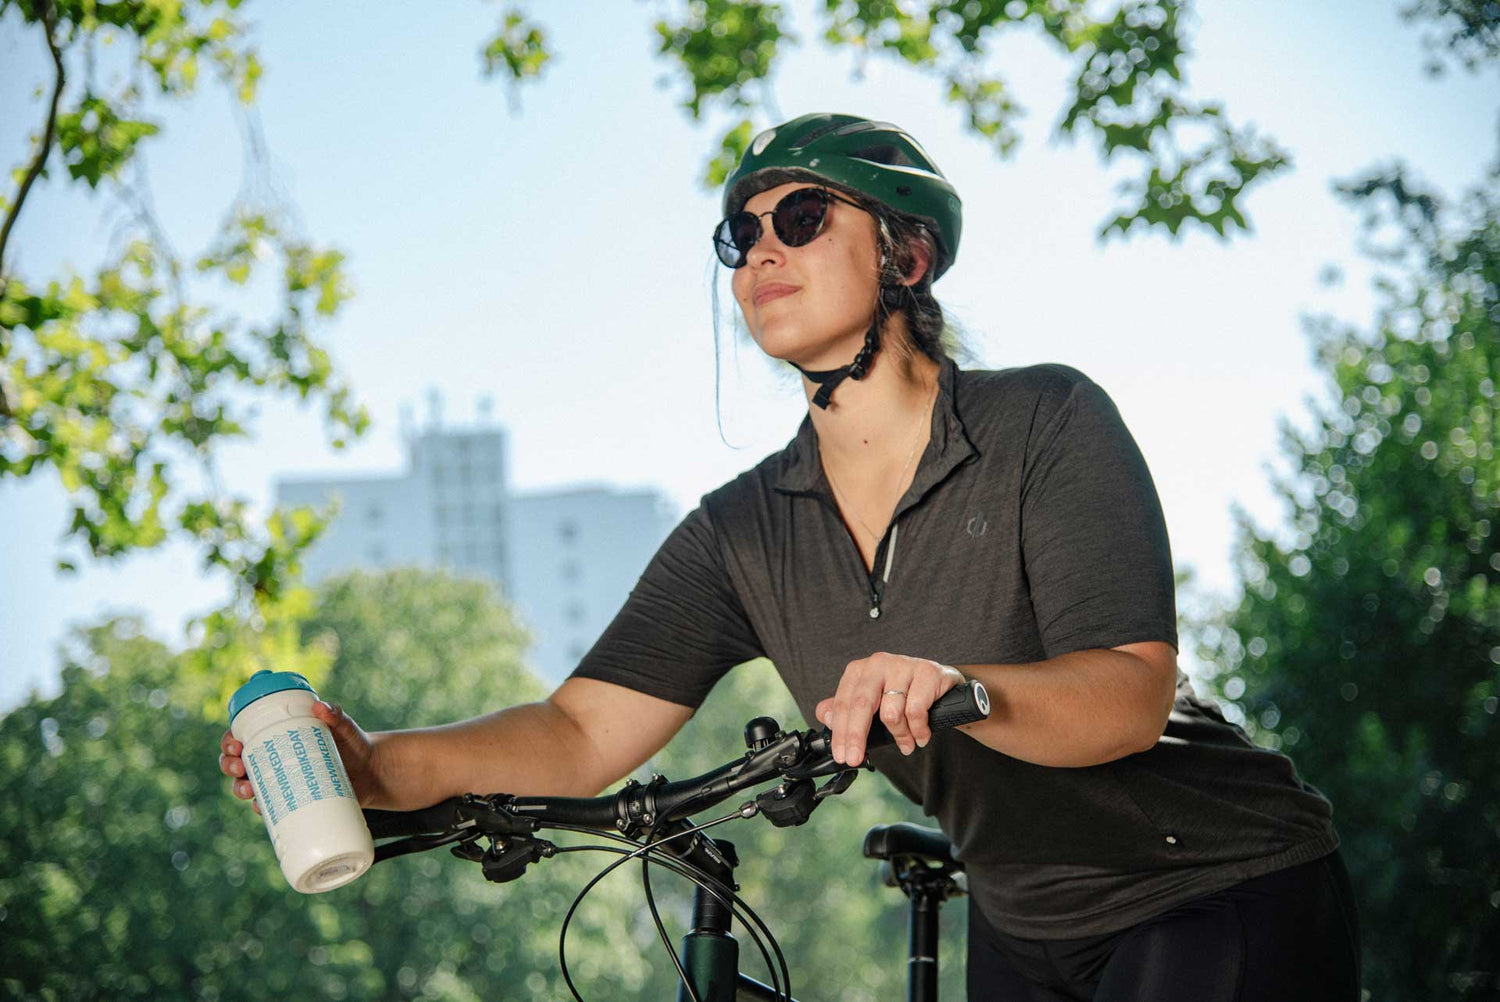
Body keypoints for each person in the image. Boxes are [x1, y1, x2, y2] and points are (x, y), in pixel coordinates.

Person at [220, 113, 1361, 1001]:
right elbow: (577, 735)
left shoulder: (1043, 424)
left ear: (904, 251)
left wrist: (957, 686)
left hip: (1215, 887)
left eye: (802, 217)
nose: (761, 249)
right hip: (1025, 925)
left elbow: (1127, 692)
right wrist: (376, 767)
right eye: (741, 235)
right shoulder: (745, 531)